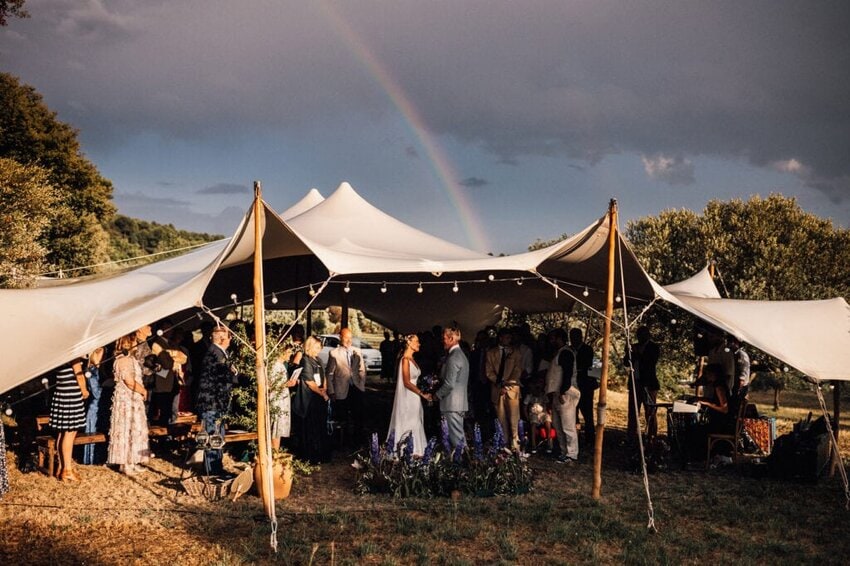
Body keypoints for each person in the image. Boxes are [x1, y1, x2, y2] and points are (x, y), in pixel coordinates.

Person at [195, 326, 238, 476]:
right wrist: (235, 375)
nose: (231, 339)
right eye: (229, 336)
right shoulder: (214, 354)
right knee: (213, 435)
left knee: (218, 436)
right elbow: (222, 378)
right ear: (221, 338)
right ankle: (212, 470)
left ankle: (217, 467)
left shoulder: (221, 353)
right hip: (212, 402)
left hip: (218, 402)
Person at [107, 333, 151, 475]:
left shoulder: (130, 359)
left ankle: (133, 460)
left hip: (133, 399)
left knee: (135, 428)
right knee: (127, 428)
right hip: (127, 400)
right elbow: (129, 380)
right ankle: (125, 463)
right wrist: (143, 390)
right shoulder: (123, 360)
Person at [387, 334, 432, 456]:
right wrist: (422, 393)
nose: (419, 344)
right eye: (417, 341)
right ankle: (404, 450)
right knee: (408, 421)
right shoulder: (405, 360)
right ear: (409, 343)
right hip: (408, 396)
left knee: (415, 421)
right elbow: (406, 382)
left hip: (414, 396)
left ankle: (416, 449)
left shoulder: (412, 359)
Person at [49, 357, 89, 481]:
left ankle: (61, 467)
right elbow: (79, 374)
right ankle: (67, 470)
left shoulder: (60, 352)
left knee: (62, 433)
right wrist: (84, 390)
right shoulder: (73, 353)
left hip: (61, 393)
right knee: (70, 433)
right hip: (71, 395)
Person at [293, 336, 331, 464]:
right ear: (310, 346)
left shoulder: (319, 360)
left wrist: (324, 388)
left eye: (319, 347)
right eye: (316, 347)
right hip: (310, 399)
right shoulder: (305, 360)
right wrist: (322, 394)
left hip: (320, 396)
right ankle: (311, 456)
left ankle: (321, 454)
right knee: (311, 428)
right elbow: (309, 382)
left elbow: (323, 376)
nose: (318, 350)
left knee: (321, 427)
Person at [326, 327, 367, 442]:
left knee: (358, 416)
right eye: (346, 338)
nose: (349, 340)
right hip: (341, 390)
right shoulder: (334, 353)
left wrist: (362, 385)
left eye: (350, 338)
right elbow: (329, 374)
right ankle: (341, 441)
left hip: (356, 387)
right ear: (340, 338)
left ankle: (357, 440)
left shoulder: (357, 351)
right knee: (342, 417)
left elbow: (362, 370)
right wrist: (331, 391)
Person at [545, 329, 579, 463]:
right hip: (556, 393)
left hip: (565, 393)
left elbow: (567, 373)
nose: (551, 341)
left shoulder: (566, 353)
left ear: (559, 338)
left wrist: (563, 391)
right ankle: (564, 451)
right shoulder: (559, 352)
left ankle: (571, 453)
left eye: (553, 338)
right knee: (558, 425)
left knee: (567, 425)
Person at [486, 328, 522, 450]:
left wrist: (507, 385)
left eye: (510, 338)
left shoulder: (516, 352)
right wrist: (499, 383)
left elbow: (517, 370)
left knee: (513, 418)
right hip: (497, 388)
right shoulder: (491, 353)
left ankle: (515, 444)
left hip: (512, 389)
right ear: (500, 338)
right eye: (506, 337)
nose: (508, 340)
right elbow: (489, 371)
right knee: (501, 419)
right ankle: (504, 444)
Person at [435, 325, 469, 449]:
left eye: (444, 338)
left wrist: (436, 395)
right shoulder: (457, 354)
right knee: (455, 437)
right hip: (456, 404)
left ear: (451, 339)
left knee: (457, 440)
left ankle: (465, 465)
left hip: (452, 404)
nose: (442, 340)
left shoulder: (454, 357)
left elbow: (449, 384)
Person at [624, 326, 661, 442]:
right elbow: (626, 363)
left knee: (650, 412)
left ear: (648, 335)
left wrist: (638, 353)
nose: (640, 337)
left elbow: (650, 362)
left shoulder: (653, 347)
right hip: (635, 383)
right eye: (639, 334)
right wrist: (628, 352)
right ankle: (632, 436)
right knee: (633, 411)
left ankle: (652, 436)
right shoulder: (634, 347)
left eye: (643, 334)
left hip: (649, 385)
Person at [569, 328, 596, 448]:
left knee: (587, 413)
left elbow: (595, 368)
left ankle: (590, 439)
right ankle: (576, 438)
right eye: (572, 336)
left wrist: (593, 382)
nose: (573, 339)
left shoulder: (588, 349)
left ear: (580, 337)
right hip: (572, 386)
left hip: (585, 386)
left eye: (576, 336)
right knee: (573, 413)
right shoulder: (568, 350)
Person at [269, 345, 299, 450]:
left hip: (283, 398)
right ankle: (274, 451)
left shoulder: (282, 365)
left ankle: (276, 450)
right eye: (289, 352)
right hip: (277, 399)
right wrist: (286, 384)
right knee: (276, 427)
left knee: (280, 427)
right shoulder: (275, 365)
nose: (290, 355)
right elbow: (272, 384)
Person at [82, 347, 105, 465]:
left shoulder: (97, 370)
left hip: (98, 408)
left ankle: (97, 458)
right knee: (91, 431)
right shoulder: (90, 371)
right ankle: (89, 460)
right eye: (98, 353)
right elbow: (96, 392)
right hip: (93, 408)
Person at [522, 377, 553, 454]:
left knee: (547, 421)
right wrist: (527, 417)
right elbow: (525, 407)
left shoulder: (543, 395)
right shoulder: (529, 396)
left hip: (543, 413)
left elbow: (547, 405)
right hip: (533, 413)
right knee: (533, 424)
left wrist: (549, 412)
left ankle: (549, 442)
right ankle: (533, 444)